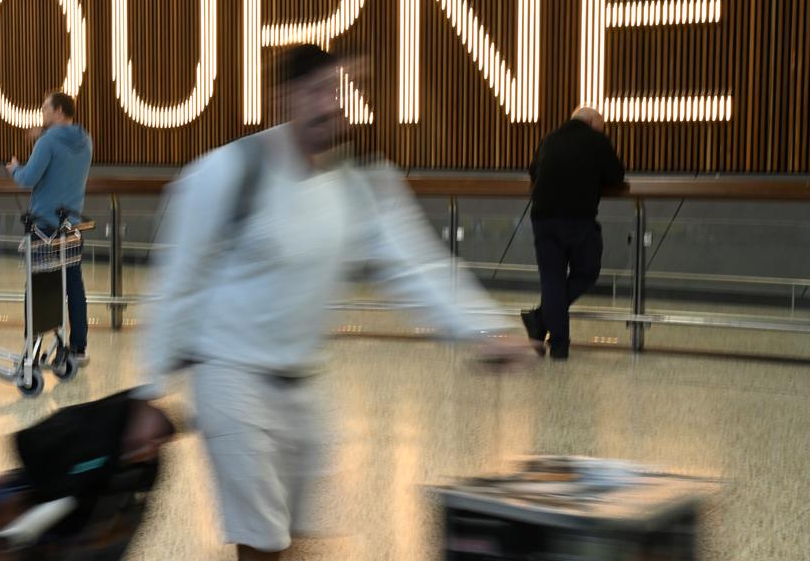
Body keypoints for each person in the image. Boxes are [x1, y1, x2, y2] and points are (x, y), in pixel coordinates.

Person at [122, 45, 533, 561]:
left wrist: (483, 329)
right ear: (283, 99)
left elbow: (415, 263)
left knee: (304, 538)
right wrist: (149, 393)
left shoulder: (358, 180)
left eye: (339, 91)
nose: (331, 105)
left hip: (303, 385)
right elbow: (176, 282)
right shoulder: (228, 171)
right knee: (264, 543)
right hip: (231, 379)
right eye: (316, 91)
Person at [520, 107, 625, 360]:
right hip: (578, 218)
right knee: (588, 270)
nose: (602, 132)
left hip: (543, 218)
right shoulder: (596, 141)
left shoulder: (550, 138)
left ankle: (557, 344)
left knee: (552, 280)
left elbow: (533, 171)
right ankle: (540, 319)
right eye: (601, 127)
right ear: (591, 122)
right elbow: (616, 176)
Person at [6, 91, 94, 365]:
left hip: (43, 227)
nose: (42, 112)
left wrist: (15, 169)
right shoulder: (85, 140)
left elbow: (29, 178)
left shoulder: (48, 142)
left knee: (37, 285)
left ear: (58, 111)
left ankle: (33, 347)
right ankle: (78, 347)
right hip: (72, 226)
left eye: (45, 108)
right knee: (74, 286)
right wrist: (41, 136)